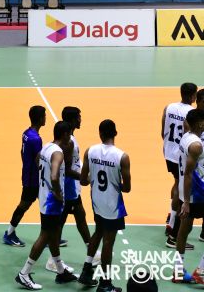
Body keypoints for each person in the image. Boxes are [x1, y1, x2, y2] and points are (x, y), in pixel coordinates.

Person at [14, 121, 77, 290]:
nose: (70, 137)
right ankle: (24, 273)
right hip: (52, 202)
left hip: (44, 197)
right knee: (45, 236)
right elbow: (55, 177)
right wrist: (57, 194)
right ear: (65, 134)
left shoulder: (46, 147)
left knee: (53, 234)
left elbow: (37, 161)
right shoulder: (58, 153)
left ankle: (61, 271)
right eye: (69, 134)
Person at [77, 120, 131, 292]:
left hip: (96, 201)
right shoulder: (122, 156)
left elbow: (83, 181)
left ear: (100, 134)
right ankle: (105, 283)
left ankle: (86, 271)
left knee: (98, 231)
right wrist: (115, 183)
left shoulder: (90, 151)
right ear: (115, 133)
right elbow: (127, 188)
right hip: (112, 204)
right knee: (108, 241)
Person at [45, 106, 93, 272]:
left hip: (71, 186)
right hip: (68, 187)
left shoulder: (71, 139)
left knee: (80, 216)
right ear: (72, 120)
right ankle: (53, 260)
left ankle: (91, 251)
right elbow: (65, 170)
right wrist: (84, 178)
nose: (81, 120)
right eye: (78, 117)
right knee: (60, 223)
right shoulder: (68, 143)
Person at [3, 105, 46, 247]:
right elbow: (38, 161)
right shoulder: (36, 139)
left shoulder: (26, 133)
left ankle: (48, 236)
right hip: (33, 179)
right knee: (24, 205)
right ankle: (9, 233)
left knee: (45, 204)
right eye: (44, 116)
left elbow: (22, 153)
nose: (45, 118)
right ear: (40, 119)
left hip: (28, 175)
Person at [162, 82, 197, 243]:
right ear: (193, 96)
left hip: (168, 151)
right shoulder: (192, 113)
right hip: (181, 154)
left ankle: (171, 215)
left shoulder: (168, 107)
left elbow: (163, 131)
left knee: (176, 183)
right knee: (180, 188)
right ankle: (172, 224)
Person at [173, 108, 204, 283]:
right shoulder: (196, 145)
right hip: (196, 193)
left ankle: (178, 271)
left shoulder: (186, 136)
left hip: (186, 192)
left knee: (184, 231)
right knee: (184, 230)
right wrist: (186, 201)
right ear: (199, 123)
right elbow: (189, 174)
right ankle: (201, 272)